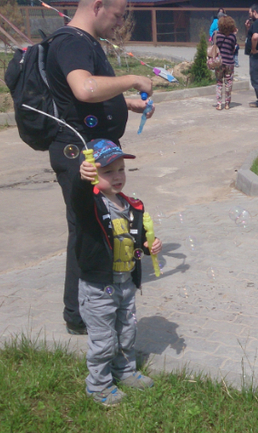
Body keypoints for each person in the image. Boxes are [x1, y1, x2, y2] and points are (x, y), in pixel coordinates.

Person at [46, 0, 154, 335]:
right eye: (119, 15)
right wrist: (131, 79)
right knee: (89, 227)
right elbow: (84, 88)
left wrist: (127, 104)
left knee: (100, 225)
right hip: (80, 153)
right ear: (97, 6)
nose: (120, 23)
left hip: (95, 149)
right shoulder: (72, 41)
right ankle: (79, 314)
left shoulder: (85, 42)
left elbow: (82, 96)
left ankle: (88, 308)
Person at [75, 139, 163, 406]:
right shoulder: (91, 205)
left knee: (126, 332)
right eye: (108, 171)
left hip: (125, 284)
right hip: (99, 287)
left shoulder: (132, 205)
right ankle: (98, 386)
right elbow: (77, 197)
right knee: (103, 340)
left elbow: (134, 243)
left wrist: (147, 247)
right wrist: (82, 179)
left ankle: (125, 372)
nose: (117, 176)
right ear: (93, 174)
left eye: (121, 170)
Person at [214, 16, 238, 110]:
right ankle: (227, 104)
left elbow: (214, 47)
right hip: (229, 62)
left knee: (219, 83)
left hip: (219, 62)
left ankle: (219, 104)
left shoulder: (216, 35)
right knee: (228, 83)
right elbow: (233, 49)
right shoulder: (233, 37)